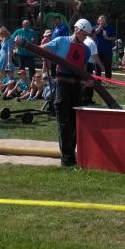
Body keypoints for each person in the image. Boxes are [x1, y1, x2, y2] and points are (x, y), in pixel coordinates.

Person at [40, 18, 93, 167]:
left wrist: (86, 81)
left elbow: (82, 71)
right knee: (64, 121)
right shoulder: (61, 41)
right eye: (84, 34)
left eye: (87, 35)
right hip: (62, 85)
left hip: (76, 87)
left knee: (75, 122)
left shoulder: (86, 50)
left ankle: (71, 155)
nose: (86, 37)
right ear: (77, 29)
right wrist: (46, 60)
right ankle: (66, 158)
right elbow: (42, 49)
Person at [92, 15, 117, 79]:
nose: (101, 21)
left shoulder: (110, 28)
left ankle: (108, 80)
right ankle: (98, 80)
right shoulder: (96, 27)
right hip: (98, 50)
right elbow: (95, 34)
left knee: (108, 66)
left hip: (107, 51)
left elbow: (114, 37)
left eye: (103, 20)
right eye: (100, 20)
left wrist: (108, 38)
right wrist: (100, 26)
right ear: (98, 21)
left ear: (105, 20)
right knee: (97, 66)